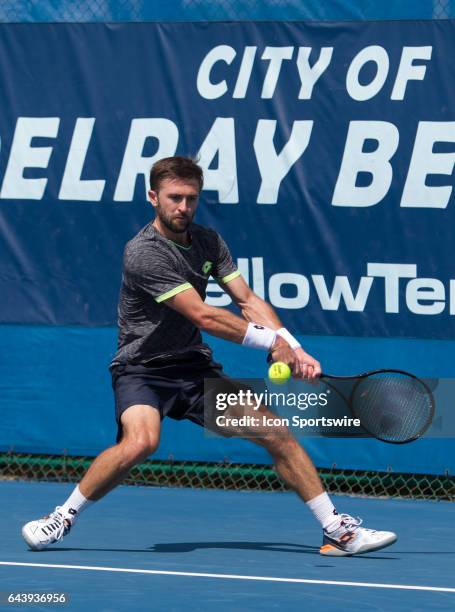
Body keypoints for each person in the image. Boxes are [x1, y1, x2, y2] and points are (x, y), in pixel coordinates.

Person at [22, 156, 397, 557]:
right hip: (141, 369)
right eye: (174, 198)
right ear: (153, 197)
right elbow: (203, 314)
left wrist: (293, 345)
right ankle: (62, 517)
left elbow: (247, 300)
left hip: (193, 367)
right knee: (141, 442)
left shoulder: (209, 241)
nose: (183, 207)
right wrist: (271, 345)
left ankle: (337, 531)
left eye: (191, 199)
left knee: (274, 432)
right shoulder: (143, 253)